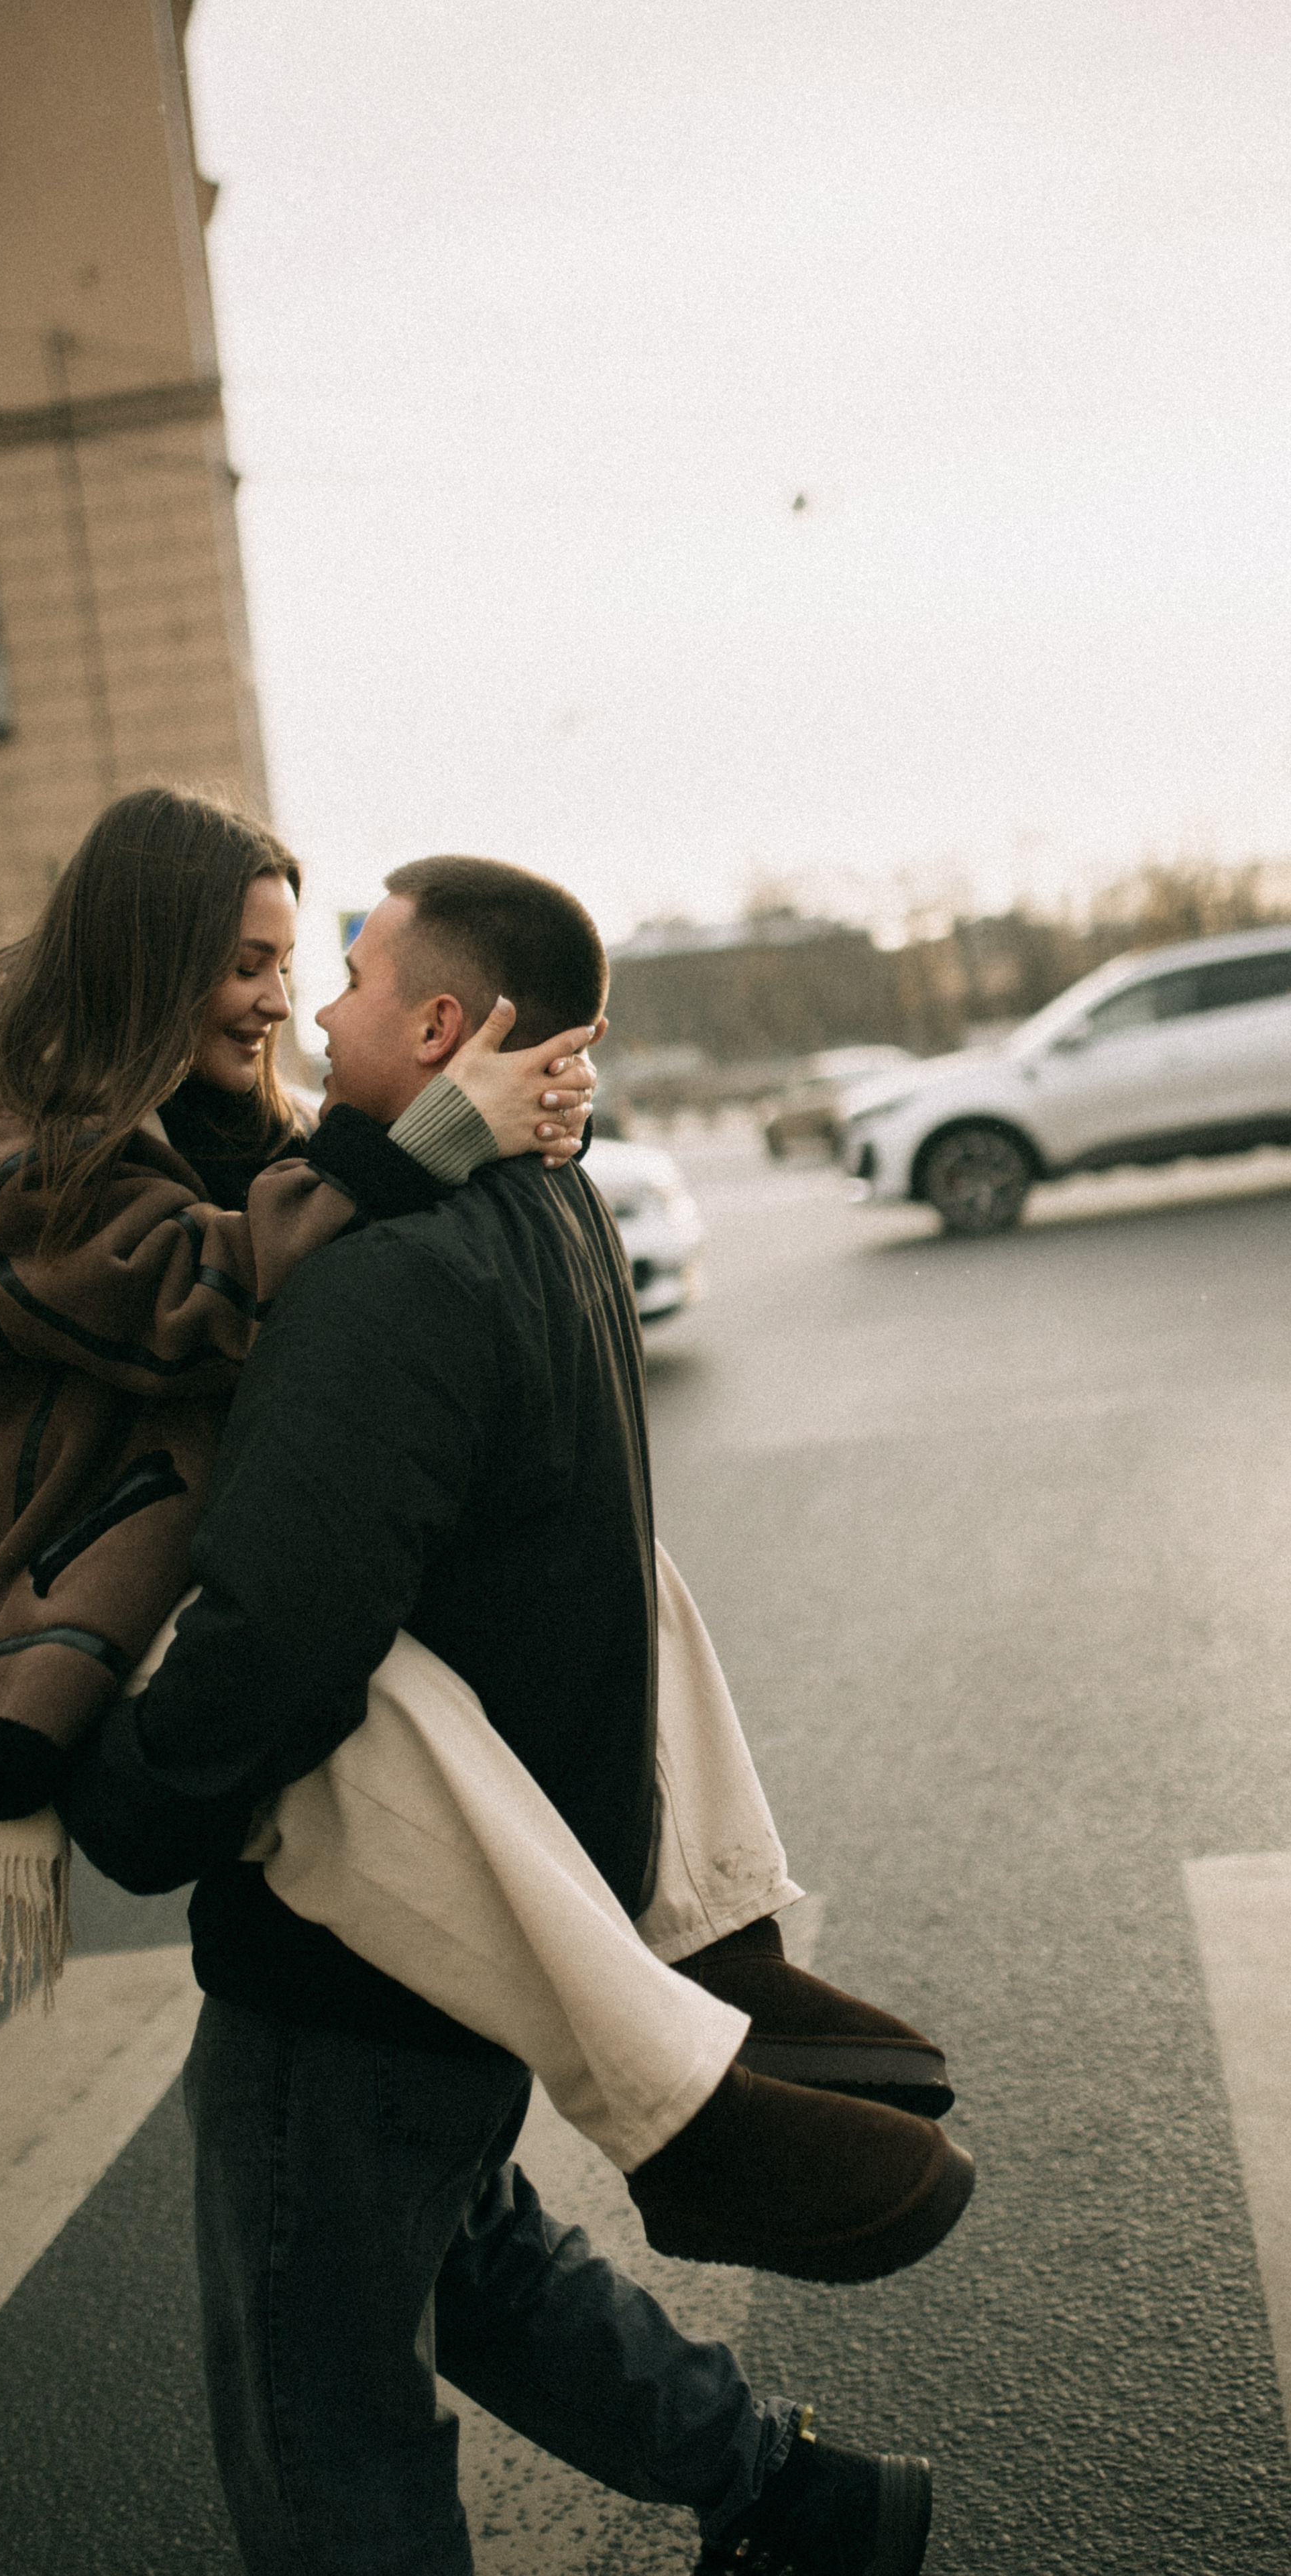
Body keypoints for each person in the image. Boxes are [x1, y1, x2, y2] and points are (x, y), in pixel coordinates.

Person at [48, 843, 971, 2573]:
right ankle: (791, 2495)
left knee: (318, 2416)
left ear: (444, 1019)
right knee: (465, 2254)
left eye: (348, 971)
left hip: (367, 1927)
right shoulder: (539, 1202)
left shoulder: (388, 1276)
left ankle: (788, 2489)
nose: (316, 1003)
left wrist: (128, 1799)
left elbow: (279, 1629)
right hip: (496, 1891)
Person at [0, 793, 960, 2235]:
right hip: (68, 1589)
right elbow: (206, 1285)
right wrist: (443, 1126)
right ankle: (668, 2103)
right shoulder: (3, 1154)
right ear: (147, 955)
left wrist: (506, 1111)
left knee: (619, 1564)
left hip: (174, 1529)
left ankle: (714, 1936)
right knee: (369, 1695)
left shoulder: (186, 1098)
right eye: (253, 966)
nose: (283, 1003)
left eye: (298, 966)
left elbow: (313, 1170)